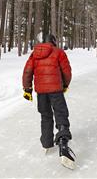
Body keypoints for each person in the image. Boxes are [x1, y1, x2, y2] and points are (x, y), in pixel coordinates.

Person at [22, 34, 76, 169]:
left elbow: (27, 71)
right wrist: (65, 85)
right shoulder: (58, 52)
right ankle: (63, 144)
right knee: (60, 113)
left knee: (45, 116)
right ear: (53, 42)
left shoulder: (34, 54)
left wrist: (27, 89)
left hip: (41, 92)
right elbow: (67, 71)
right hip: (55, 90)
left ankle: (46, 143)